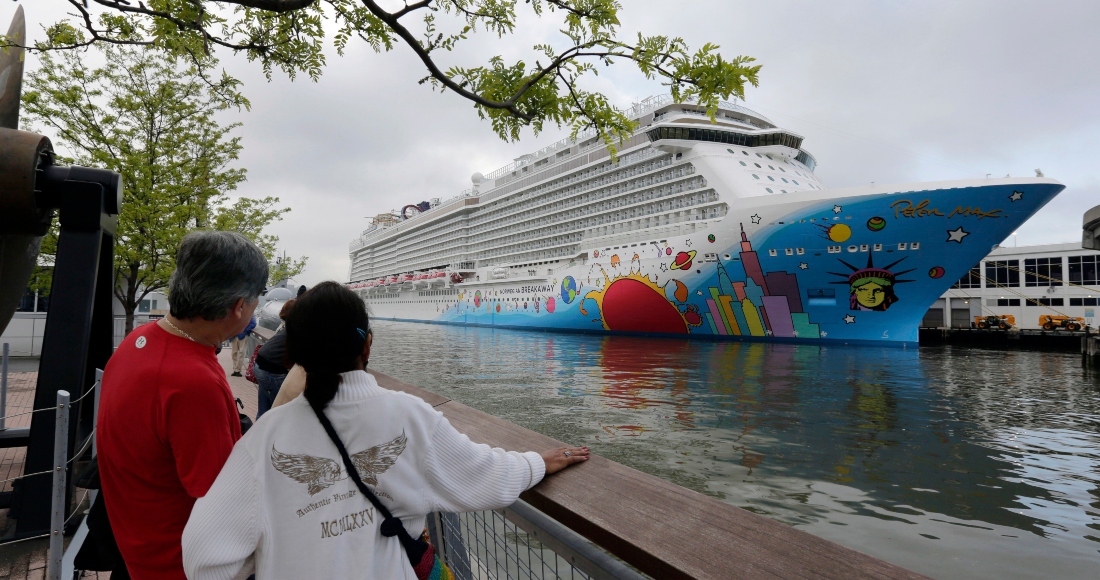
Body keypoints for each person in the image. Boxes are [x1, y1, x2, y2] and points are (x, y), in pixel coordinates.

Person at [182, 282, 588, 579]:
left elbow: (203, 557)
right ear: (367, 345)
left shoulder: (265, 437)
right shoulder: (410, 416)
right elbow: (487, 475)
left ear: (294, 353)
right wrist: (539, 462)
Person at [97, 231, 268, 580]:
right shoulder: (193, 382)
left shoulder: (138, 341)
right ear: (238, 307)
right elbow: (222, 498)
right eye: (255, 300)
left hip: (136, 546)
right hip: (181, 563)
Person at [252, 299, 295, 418]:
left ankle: (259, 433)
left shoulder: (287, 327)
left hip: (262, 364)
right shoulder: (299, 329)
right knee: (281, 410)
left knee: (264, 409)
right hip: (272, 370)